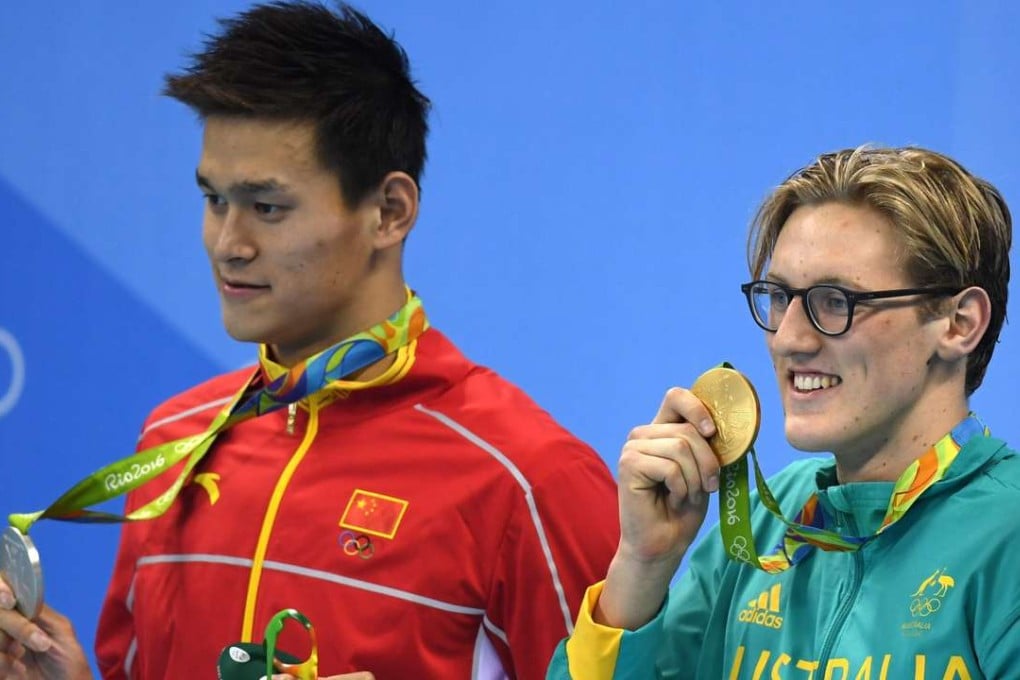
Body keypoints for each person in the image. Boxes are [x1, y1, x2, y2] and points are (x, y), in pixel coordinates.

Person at [0, 2, 619, 678]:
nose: (228, 244)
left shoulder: (525, 480)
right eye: (214, 200)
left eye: (268, 207)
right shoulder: (171, 440)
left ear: (389, 212)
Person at [548, 145, 1017, 678]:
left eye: (835, 300)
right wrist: (642, 565)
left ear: (959, 324)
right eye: (778, 296)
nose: (788, 339)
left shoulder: (1008, 541)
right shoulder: (766, 526)